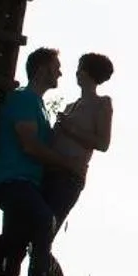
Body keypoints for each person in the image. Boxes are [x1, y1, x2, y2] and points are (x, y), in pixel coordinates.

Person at [0, 46, 83, 276]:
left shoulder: (39, 105)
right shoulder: (24, 99)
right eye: (56, 67)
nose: (60, 73)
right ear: (42, 69)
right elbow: (29, 143)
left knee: (19, 241)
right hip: (12, 180)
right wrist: (67, 163)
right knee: (44, 221)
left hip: (27, 183)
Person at [45, 52, 114, 229]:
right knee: (32, 229)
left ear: (85, 73)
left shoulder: (102, 104)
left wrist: (71, 128)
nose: (76, 74)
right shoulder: (70, 107)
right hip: (49, 171)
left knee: (46, 230)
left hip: (70, 177)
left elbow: (103, 143)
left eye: (79, 69)